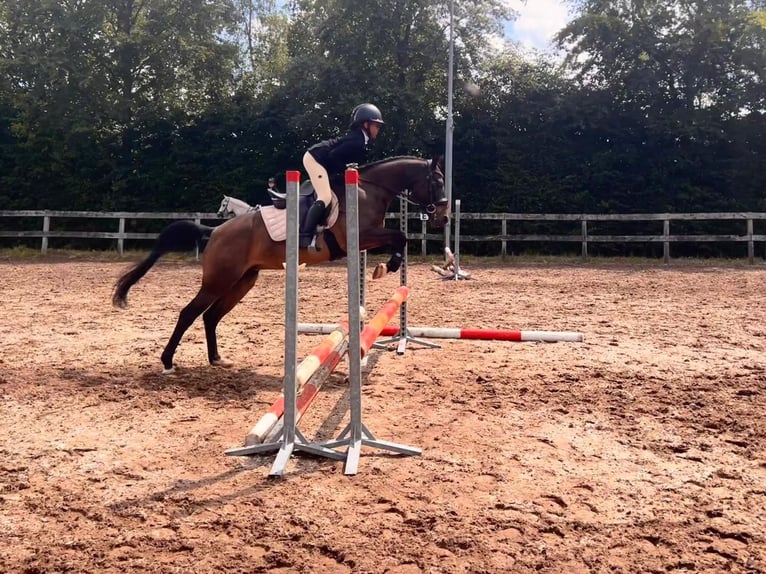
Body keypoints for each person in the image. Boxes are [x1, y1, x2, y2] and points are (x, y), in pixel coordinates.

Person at [300, 103, 384, 248]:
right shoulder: (357, 141)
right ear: (365, 124)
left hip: (324, 161)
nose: (378, 129)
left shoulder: (361, 140)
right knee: (325, 197)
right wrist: (345, 170)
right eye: (376, 126)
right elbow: (333, 156)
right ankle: (305, 236)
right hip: (314, 158)